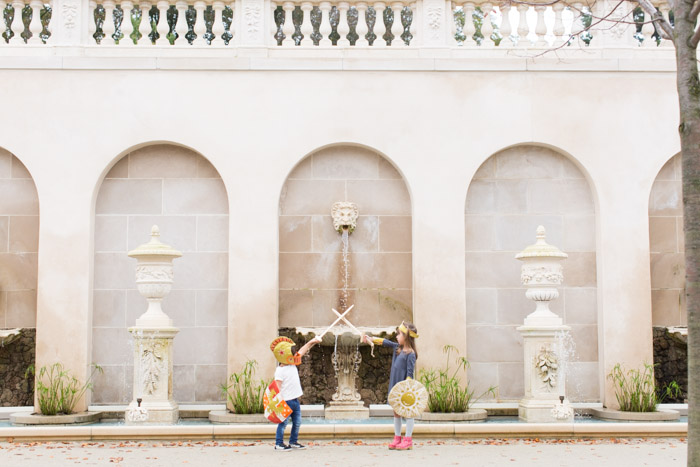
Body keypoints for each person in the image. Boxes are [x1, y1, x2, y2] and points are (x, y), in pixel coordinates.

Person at [362, 321, 419, 451]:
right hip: (394, 384)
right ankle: (397, 438)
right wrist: (371, 339)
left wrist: (406, 389)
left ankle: (408, 440)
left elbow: (410, 373)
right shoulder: (397, 348)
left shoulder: (410, 354)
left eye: (399, 334)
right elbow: (385, 342)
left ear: (406, 337)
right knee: (396, 412)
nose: (396, 337)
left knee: (408, 413)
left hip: (404, 388)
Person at [270, 335, 322, 452]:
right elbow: (277, 388)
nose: (295, 355)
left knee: (297, 423)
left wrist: (312, 341)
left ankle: (293, 442)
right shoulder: (280, 371)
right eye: (293, 353)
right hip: (286, 401)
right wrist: (279, 403)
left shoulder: (292, 362)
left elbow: (302, 351)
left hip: (295, 400)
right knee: (283, 424)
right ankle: (279, 443)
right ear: (284, 355)